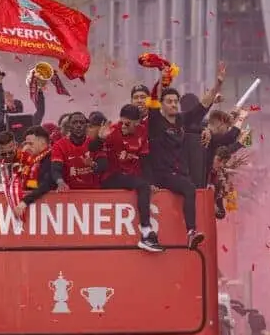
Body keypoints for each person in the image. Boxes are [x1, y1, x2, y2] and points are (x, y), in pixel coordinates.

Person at [147, 61, 226, 249]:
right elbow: (153, 98)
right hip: (163, 175)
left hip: (181, 174)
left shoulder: (181, 120)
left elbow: (203, 105)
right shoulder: (156, 122)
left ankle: (191, 232)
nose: (173, 104)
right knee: (189, 188)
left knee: (189, 186)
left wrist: (218, 84)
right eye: (169, 102)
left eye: (176, 101)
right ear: (162, 105)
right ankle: (191, 232)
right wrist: (162, 80)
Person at [91, 104, 161, 252]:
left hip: (131, 176)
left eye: (127, 124)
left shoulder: (142, 132)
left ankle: (146, 234)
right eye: (121, 121)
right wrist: (100, 139)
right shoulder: (113, 130)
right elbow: (91, 149)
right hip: (111, 177)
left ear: (137, 123)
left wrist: (151, 182)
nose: (123, 126)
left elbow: (145, 160)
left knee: (144, 185)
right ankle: (146, 232)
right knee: (142, 186)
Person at [51, 112, 106, 190]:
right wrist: (60, 181)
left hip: (93, 191)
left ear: (86, 126)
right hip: (70, 192)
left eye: (81, 122)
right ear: (69, 126)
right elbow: (56, 168)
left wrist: (93, 164)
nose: (78, 125)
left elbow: (103, 165)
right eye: (74, 122)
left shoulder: (94, 143)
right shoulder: (59, 145)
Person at [13, 126, 56, 218]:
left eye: (30, 143)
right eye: (26, 143)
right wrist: (22, 160)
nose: (27, 146)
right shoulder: (32, 159)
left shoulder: (52, 157)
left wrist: (25, 201)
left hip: (51, 208)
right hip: (37, 205)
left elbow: (46, 185)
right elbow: (31, 184)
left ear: (42, 142)